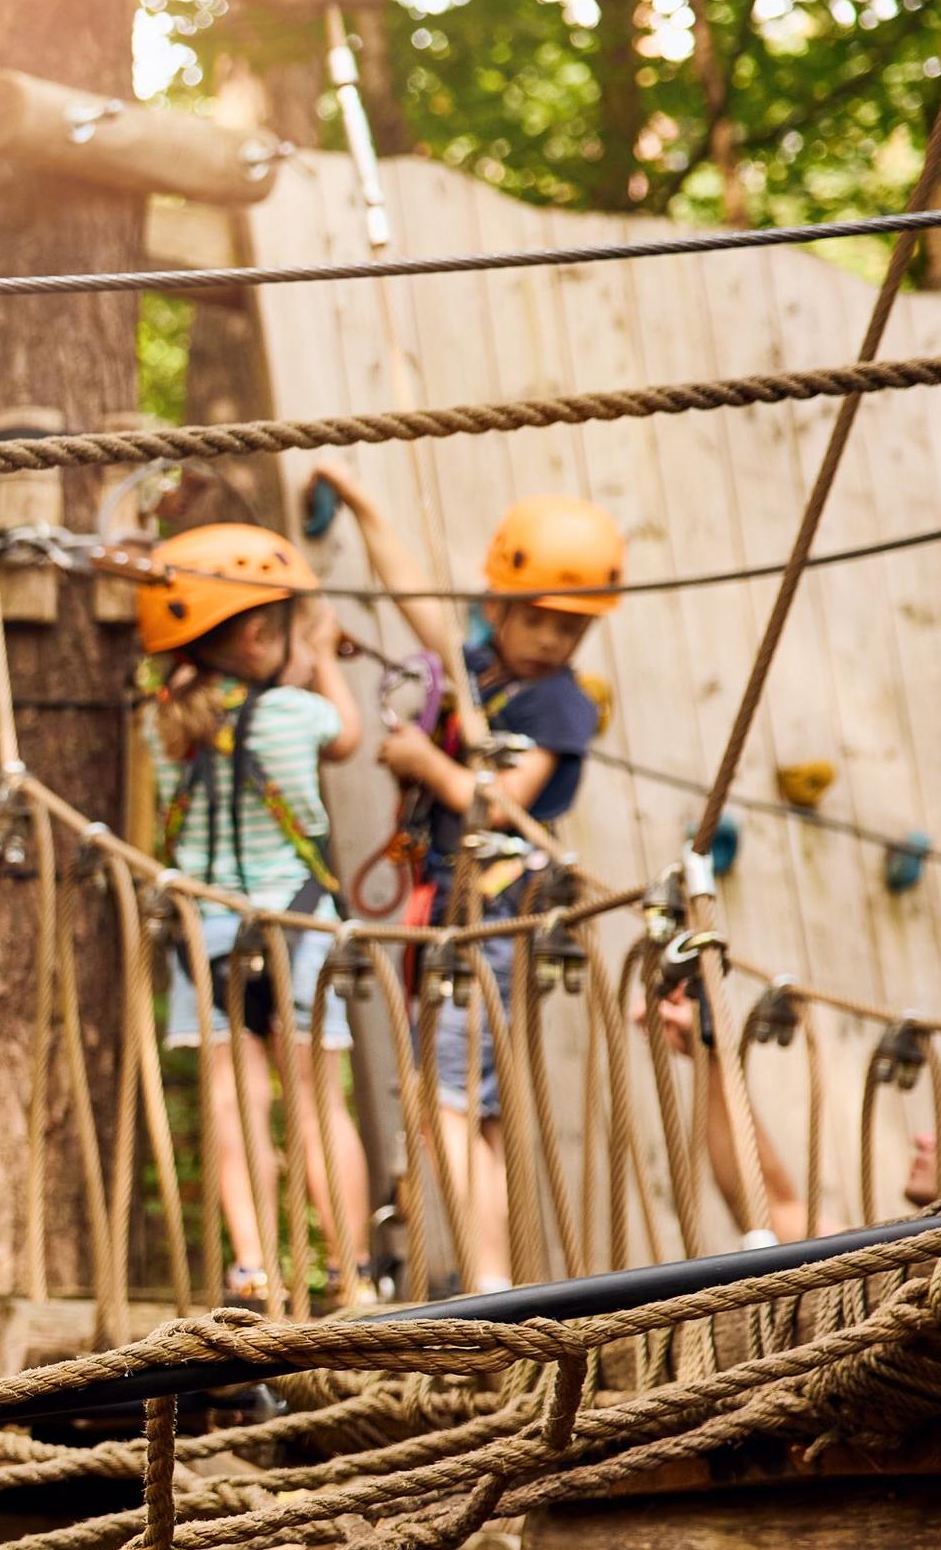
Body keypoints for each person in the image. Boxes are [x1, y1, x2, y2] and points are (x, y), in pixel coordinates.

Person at [310, 468, 614, 1292]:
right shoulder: (478, 670)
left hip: (495, 913)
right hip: (452, 906)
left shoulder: (559, 703)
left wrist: (423, 760)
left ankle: (486, 1286)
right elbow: (416, 594)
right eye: (540, 620)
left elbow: (503, 805)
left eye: (572, 629)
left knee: (439, 1099)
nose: (552, 642)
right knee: (469, 1107)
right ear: (501, 605)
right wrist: (368, 500)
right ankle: (494, 1280)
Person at [135, 523, 373, 1307]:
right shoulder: (295, 713)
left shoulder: (163, 722)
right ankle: (350, 1270)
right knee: (315, 1101)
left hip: (208, 936)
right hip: (296, 928)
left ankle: (253, 1267)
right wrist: (323, 660)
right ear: (263, 634)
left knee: (234, 1103)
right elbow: (348, 738)